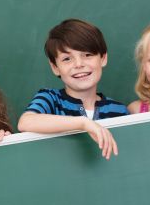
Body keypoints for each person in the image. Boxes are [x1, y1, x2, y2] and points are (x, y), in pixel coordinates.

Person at [17, 18, 124, 159]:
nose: (79, 64)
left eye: (87, 55)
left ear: (103, 58)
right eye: (67, 59)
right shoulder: (50, 99)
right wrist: (83, 124)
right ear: (55, 67)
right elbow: (26, 122)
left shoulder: (119, 110)